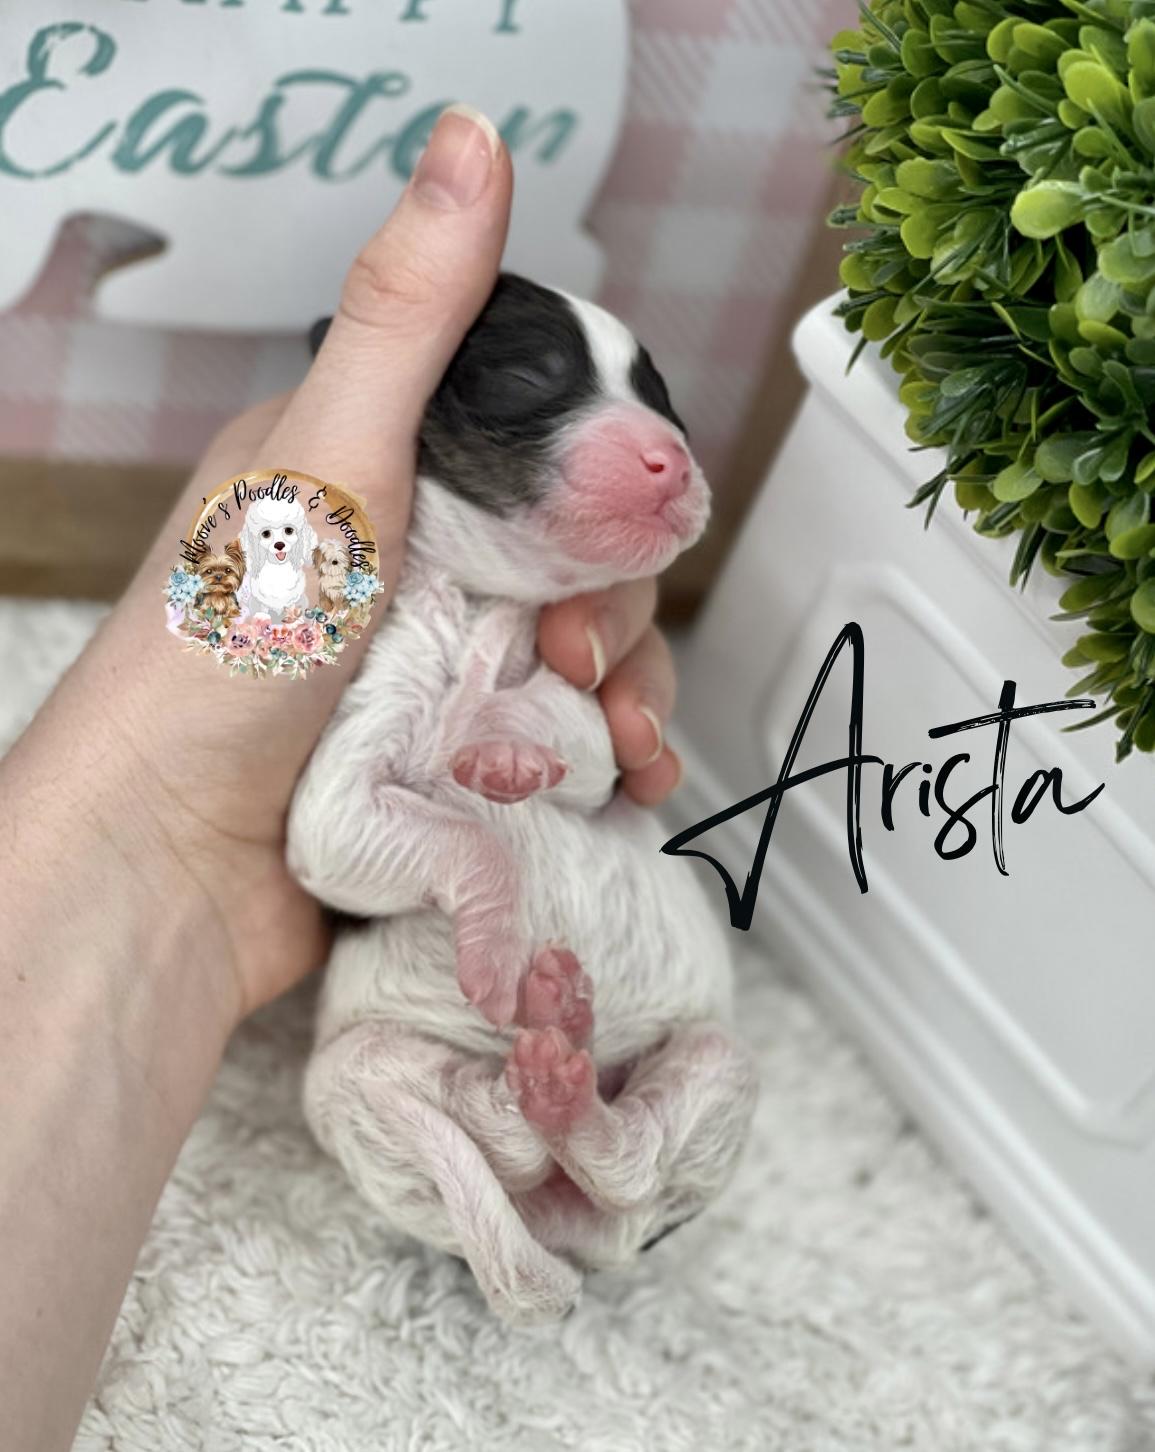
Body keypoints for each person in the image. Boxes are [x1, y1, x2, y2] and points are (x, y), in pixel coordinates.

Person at [0, 104, 681, 1451]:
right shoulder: (339, 568)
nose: (659, 443)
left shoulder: (530, 626)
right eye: (542, 383)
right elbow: (307, 700)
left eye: (655, 396)